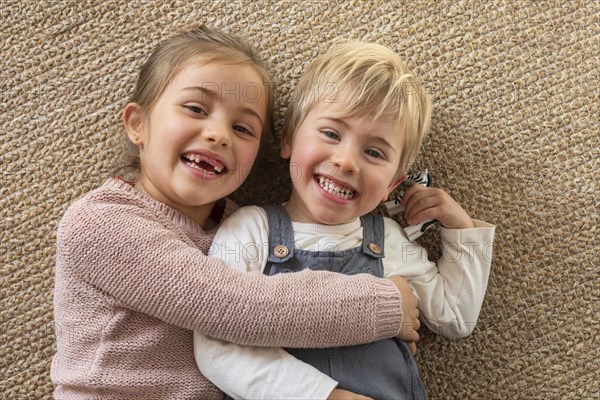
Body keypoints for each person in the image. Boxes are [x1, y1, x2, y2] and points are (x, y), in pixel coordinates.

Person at [51, 28, 422, 399]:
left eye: (242, 128)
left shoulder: (243, 226)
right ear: (138, 123)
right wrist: (386, 307)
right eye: (196, 108)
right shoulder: (101, 223)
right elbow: (235, 307)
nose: (218, 135)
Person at [195, 42, 496, 399]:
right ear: (289, 138)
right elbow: (216, 342)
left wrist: (460, 231)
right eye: (331, 134)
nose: (348, 161)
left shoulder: (389, 239)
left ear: (393, 184)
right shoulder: (250, 228)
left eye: (373, 152)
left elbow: (455, 318)